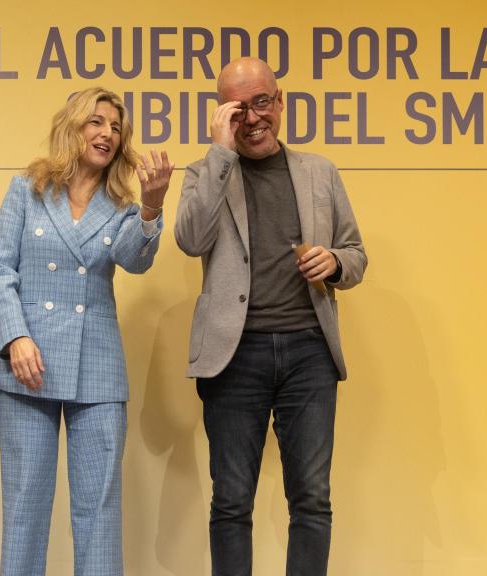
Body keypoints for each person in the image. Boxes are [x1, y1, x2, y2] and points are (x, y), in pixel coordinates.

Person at [175, 58, 368, 575]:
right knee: (232, 502)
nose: (254, 117)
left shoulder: (319, 172)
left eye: (262, 101)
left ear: (280, 102)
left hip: (309, 353)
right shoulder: (204, 171)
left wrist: (335, 262)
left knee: (311, 499)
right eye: (238, 109)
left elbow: (355, 254)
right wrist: (220, 152)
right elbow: (191, 239)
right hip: (234, 356)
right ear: (222, 114)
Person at [0, 87, 173, 576]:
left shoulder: (123, 206)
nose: (107, 133)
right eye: (96, 122)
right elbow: (0, 271)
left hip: (97, 368)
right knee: (24, 504)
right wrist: (15, 338)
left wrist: (151, 208)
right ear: (72, 127)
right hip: (27, 364)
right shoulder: (25, 189)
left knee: (99, 508)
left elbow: (135, 260)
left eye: (115, 127)